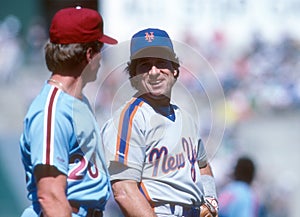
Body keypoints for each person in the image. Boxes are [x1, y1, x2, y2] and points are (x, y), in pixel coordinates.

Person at [101, 28, 218, 217]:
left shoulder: (185, 118)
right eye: (145, 65)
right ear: (133, 75)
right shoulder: (130, 118)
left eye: (161, 62)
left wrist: (211, 200)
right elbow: (124, 190)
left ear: (175, 69)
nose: (154, 72)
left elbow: (203, 165)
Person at [19, 7, 117, 217]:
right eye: (101, 49)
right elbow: (51, 196)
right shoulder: (52, 109)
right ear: (89, 55)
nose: (102, 58)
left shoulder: (78, 102)